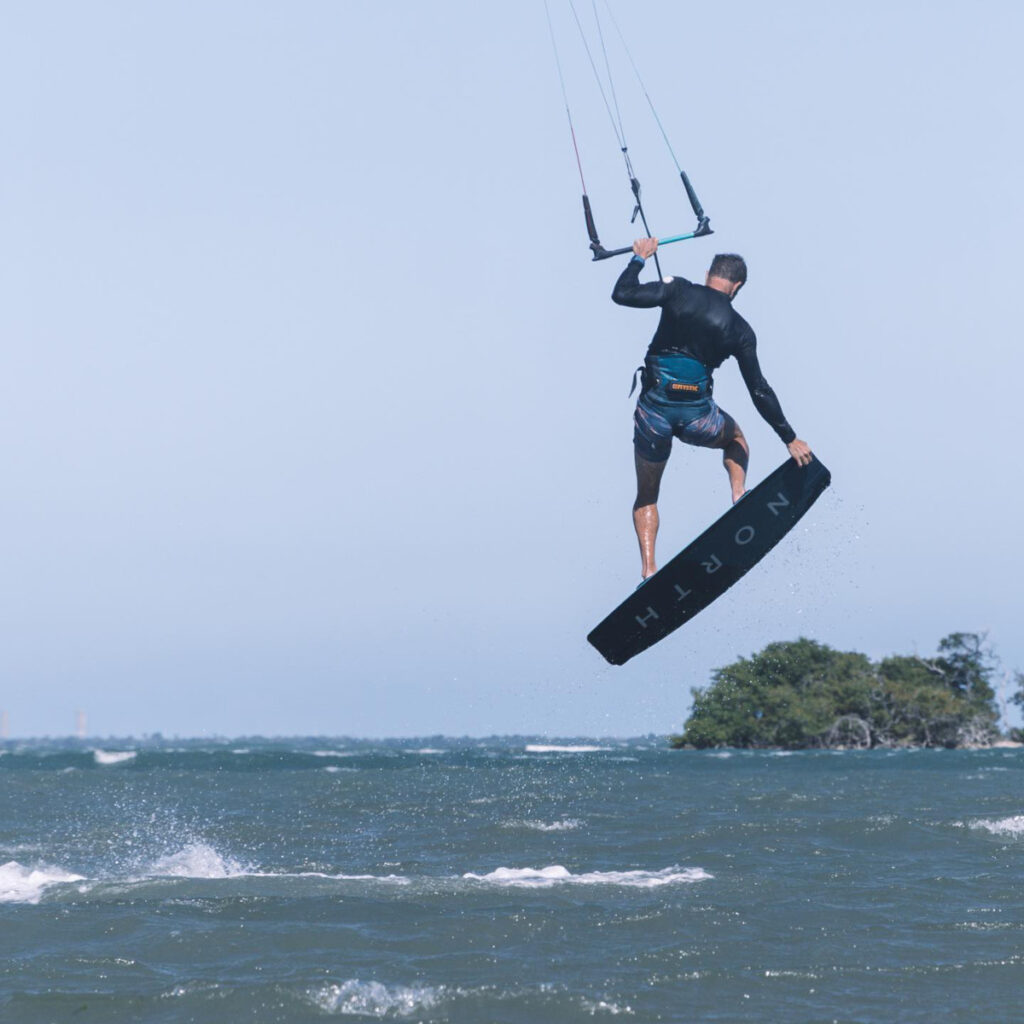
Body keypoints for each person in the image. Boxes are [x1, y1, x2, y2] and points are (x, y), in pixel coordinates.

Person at [612, 237, 813, 582]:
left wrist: (639, 259)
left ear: (708, 274)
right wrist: (789, 438)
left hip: (654, 415)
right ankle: (739, 498)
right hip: (698, 418)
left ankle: (648, 571)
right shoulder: (740, 328)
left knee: (647, 496)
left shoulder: (678, 290)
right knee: (736, 438)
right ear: (737, 287)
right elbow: (759, 390)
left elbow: (623, 294)